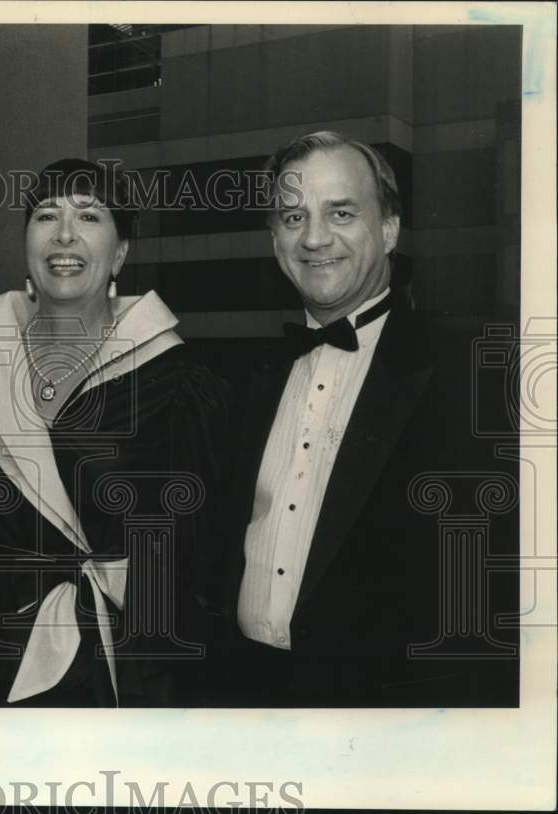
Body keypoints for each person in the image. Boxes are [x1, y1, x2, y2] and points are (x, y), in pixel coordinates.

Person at [210, 131, 519, 706]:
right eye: (293, 216)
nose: (315, 238)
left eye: (341, 212)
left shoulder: (478, 373)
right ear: (275, 238)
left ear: (390, 229)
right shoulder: (248, 378)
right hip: (245, 699)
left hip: (385, 718)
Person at [0, 158, 229, 707]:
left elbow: (206, 562)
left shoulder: (180, 382)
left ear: (122, 252)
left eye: (89, 216)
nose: (64, 234)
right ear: (25, 244)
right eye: (45, 216)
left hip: (134, 668)